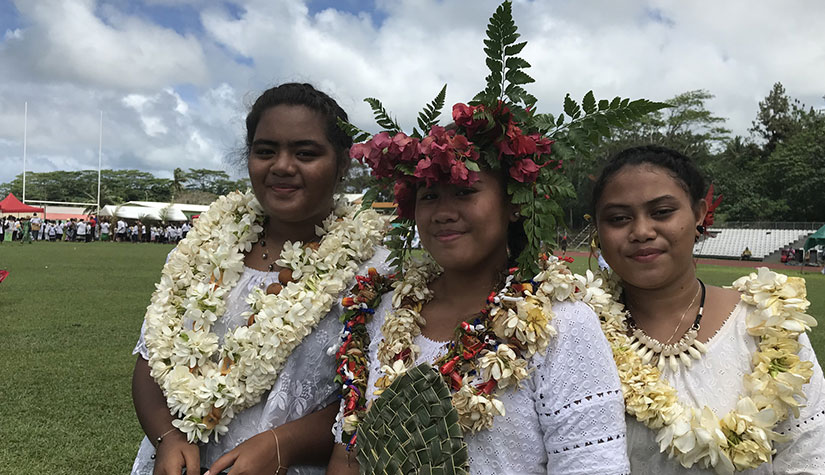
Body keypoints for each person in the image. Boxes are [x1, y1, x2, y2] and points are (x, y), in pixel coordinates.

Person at [327, 9, 628, 472]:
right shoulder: (382, 311)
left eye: (466, 190)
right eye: (429, 194)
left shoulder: (563, 327)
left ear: (513, 202)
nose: (444, 211)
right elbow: (350, 453)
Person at [131, 82, 390, 475]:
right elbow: (150, 361)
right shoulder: (202, 250)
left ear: (343, 165)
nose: (282, 166)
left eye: (306, 153)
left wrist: (281, 444)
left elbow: (377, 400)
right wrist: (168, 437)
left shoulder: (376, 272)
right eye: (265, 151)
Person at [588, 145, 824, 473]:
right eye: (618, 219)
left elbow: (810, 455)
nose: (641, 231)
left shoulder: (767, 323)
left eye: (662, 212)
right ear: (598, 229)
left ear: (699, 214)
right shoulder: (578, 330)